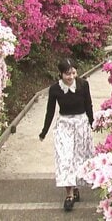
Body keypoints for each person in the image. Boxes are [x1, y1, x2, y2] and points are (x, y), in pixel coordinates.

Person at [39, 58, 94, 211]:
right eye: (67, 74)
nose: (71, 77)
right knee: (65, 158)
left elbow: (88, 104)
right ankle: (69, 194)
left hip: (81, 124)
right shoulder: (55, 89)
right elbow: (50, 111)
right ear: (61, 74)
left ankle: (76, 187)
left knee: (78, 158)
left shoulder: (83, 85)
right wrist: (44, 131)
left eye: (73, 73)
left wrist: (92, 122)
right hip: (64, 125)